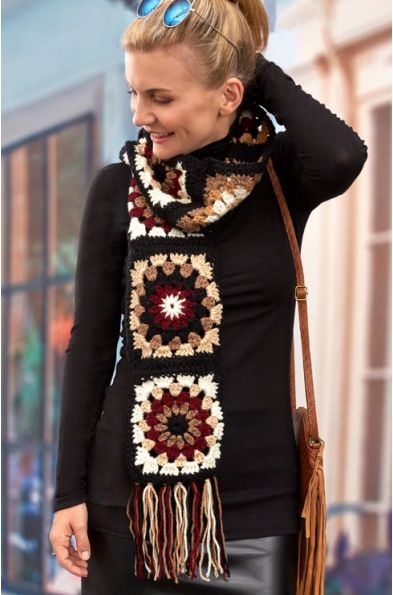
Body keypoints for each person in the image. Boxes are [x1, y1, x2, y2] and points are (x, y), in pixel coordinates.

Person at [49, 0, 368, 593]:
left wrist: (252, 62)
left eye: (162, 98)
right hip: (128, 510)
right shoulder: (118, 189)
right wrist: (68, 493)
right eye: (133, 93)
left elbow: (344, 154)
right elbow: (91, 348)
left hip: (255, 515)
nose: (142, 114)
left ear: (228, 94)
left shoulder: (282, 178)